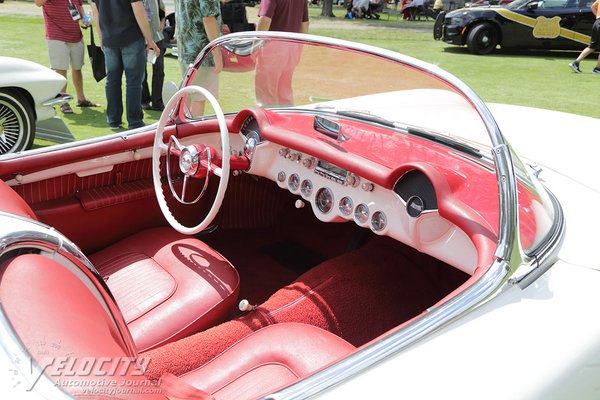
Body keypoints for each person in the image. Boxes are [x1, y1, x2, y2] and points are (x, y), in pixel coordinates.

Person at [90, 0, 159, 130]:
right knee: (133, 81)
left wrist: (101, 37)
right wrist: (149, 40)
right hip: (131, 36)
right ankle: (135, 121)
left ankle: (113, 120)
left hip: (109, 38)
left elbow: (95, 10)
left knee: (112, 80)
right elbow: (138, 9)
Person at [35, 0, 100, 114]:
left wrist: (84, 19)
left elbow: (79, 7)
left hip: (76, 35)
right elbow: (38, 3)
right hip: (56, 35)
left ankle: (81, 99)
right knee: (61, 70)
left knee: (77, 68)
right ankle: (63, 102)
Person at [255, 0, 309, 107]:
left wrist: (255, 46)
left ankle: (270, 123)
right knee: (285, 93)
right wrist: (299, 49)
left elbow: (265, 20)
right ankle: (287, 121)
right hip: (292, 46)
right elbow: (305, 24)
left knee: (267, 96)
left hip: (273, 47)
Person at [175, 0, 223, 116]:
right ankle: (191, 132)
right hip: (201, 50)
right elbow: (208, 18)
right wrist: (217, 53)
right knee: (198, 96)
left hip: (186, 46)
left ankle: (182, 130)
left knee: (187, 95)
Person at [142, 0, 166, 112]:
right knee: (141, 72)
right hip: (140, 38)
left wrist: (162, 20)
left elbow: (161, 8)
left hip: (157, 37)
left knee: (159, 70)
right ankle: (144, 101)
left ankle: (157, 102)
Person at [568, 0, 600, 74]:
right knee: (592, 46)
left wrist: (597, 17)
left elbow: (592, 7)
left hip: (597, 23)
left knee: (592, 46)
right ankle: (597, 69)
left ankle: (575, 63)